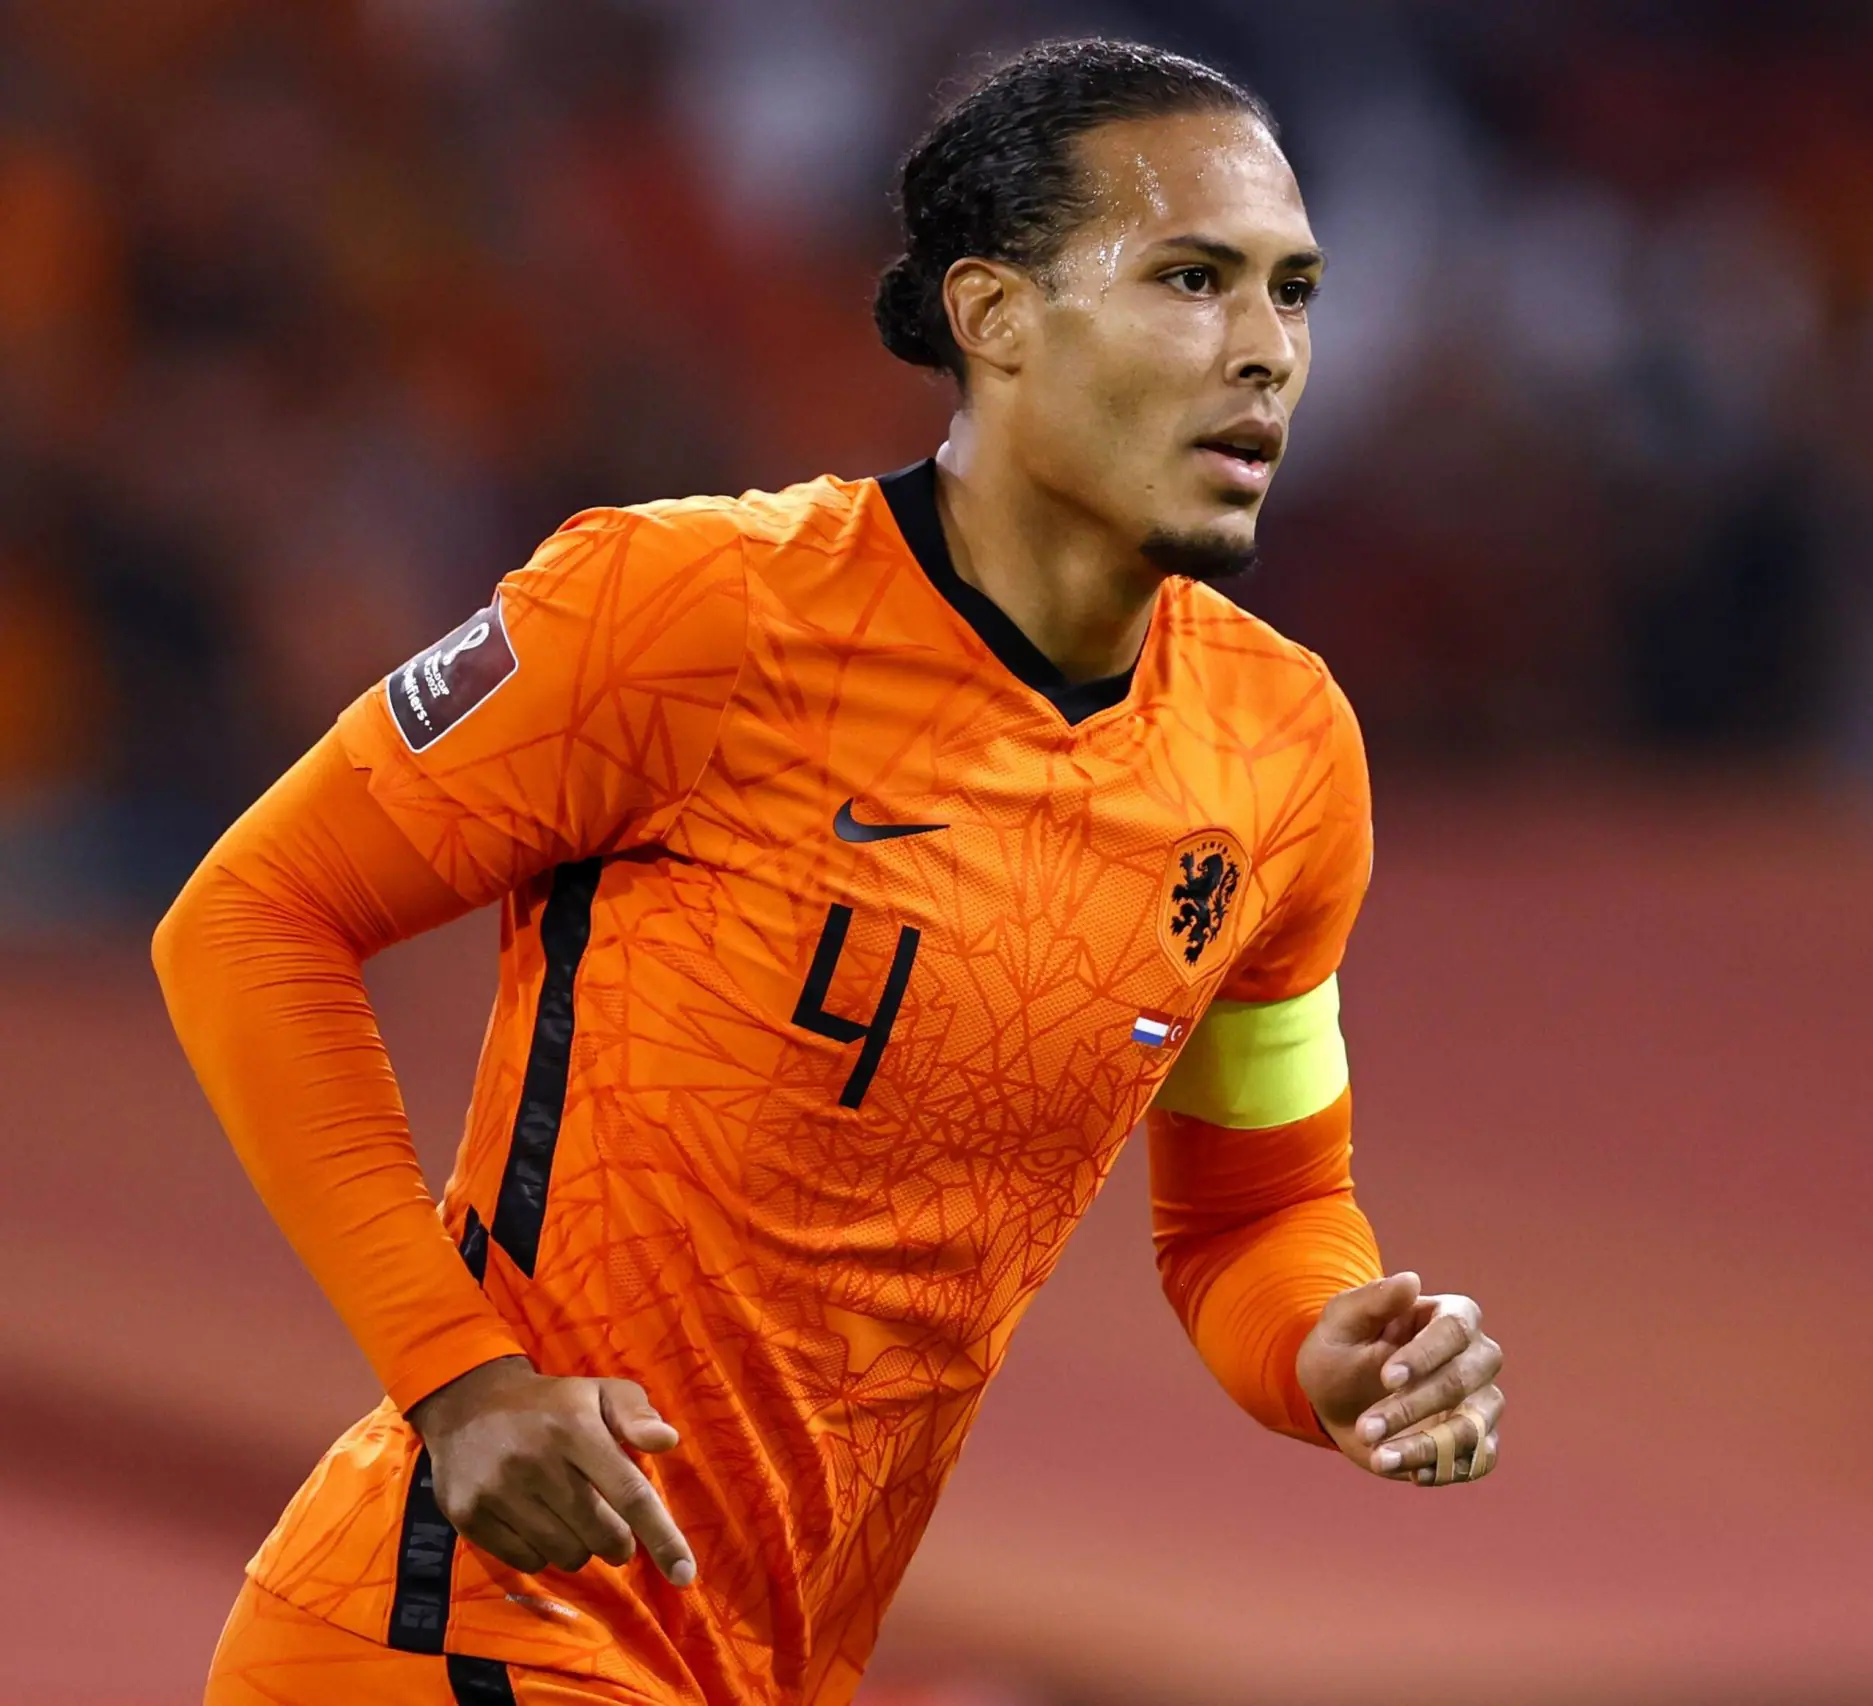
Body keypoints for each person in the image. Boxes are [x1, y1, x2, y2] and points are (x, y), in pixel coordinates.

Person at [155, 37, 1505, 1706]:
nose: (1266, 350)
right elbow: (249, 915)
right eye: (1190, 279)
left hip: (762, 1662)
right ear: (994, 315)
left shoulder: (1281, 753)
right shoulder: (687, 611)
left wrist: (1328, 1345)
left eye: (1292, 291)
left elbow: (1260, 1208)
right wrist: (458, 1378)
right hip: (472, 1627)